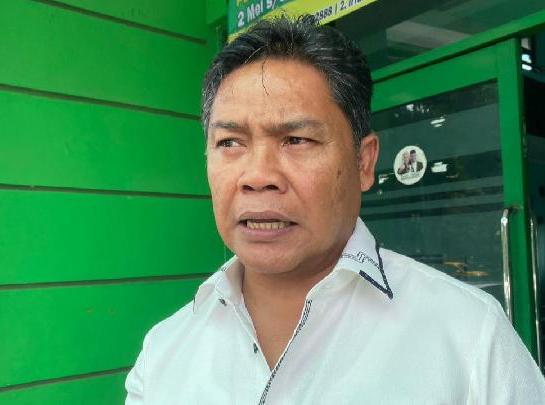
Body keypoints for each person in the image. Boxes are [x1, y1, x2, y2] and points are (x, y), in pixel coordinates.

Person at [125, 16, 545, 404]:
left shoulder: (468, 338)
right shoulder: (164, 353)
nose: (258, 176)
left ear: (364, 162)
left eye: (296, 140)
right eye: (230, 142)